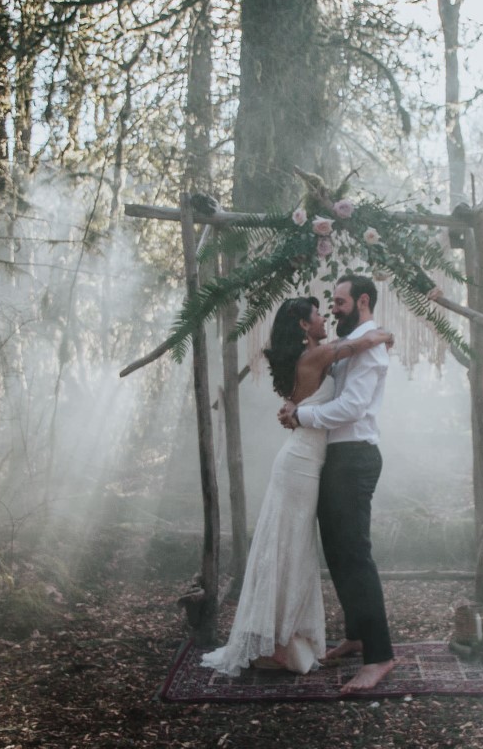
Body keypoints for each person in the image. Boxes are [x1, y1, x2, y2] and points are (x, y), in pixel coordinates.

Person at [200, 296, 393, 677]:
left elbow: (330, 372)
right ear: (305, 326)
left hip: (308, 460)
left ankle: (282, 635)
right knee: (288, 546)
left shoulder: (312, 358)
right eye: (319, 314)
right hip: (301, 465)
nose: (324, 318)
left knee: (293, 546)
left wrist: (296, 411)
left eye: (327, 310)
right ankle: (278, 640)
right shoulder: (317, 356)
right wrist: (383, 333)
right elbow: (356, 345)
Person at [278, 274, 397, 693]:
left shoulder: (372, 345)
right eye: (331, 303)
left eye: (341, 301)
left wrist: (300, 417)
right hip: (338, 457)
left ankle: (380, 656)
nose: (334, 308)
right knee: (338, 553)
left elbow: (351, 407)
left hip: (355, 457)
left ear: (363, 301)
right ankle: (358, 633)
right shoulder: (358, 342)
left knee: (355, 555)